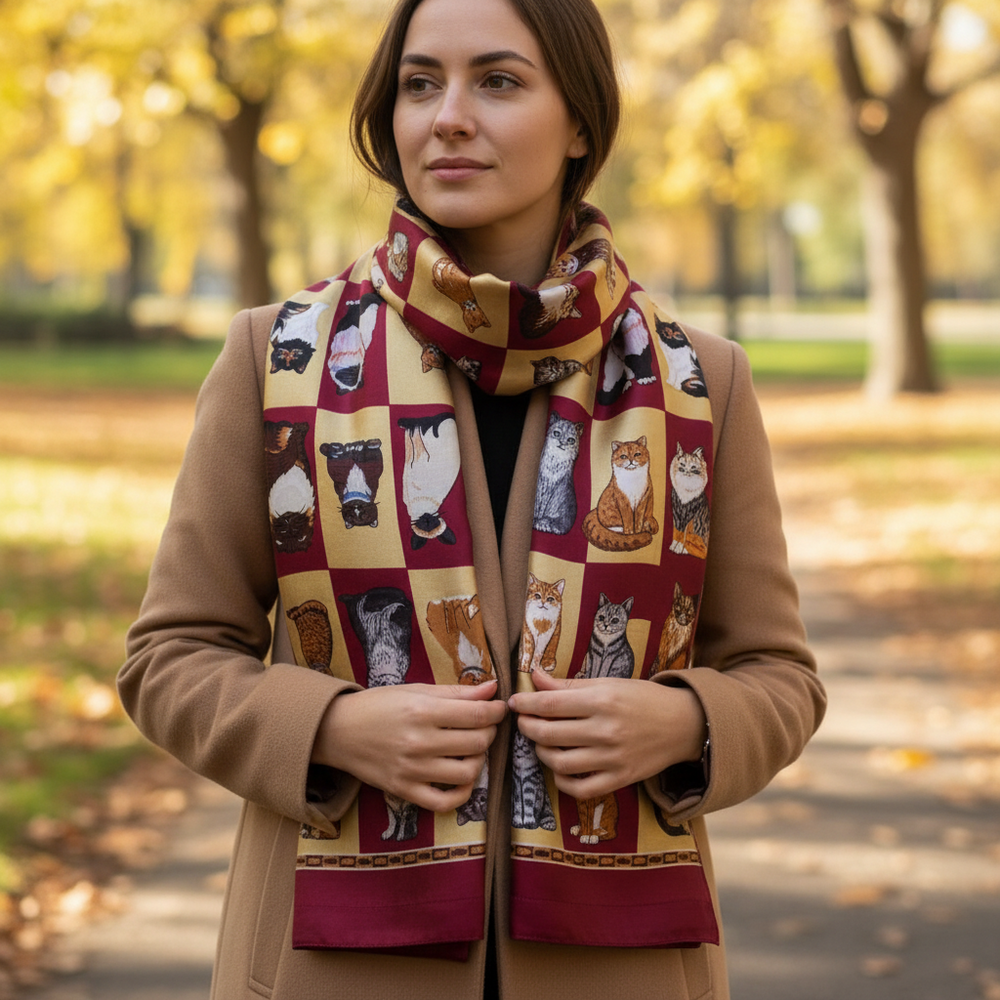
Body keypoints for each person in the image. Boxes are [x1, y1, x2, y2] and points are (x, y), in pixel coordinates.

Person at [119, 0, 825, 997]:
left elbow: (779, 675)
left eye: (497, 81)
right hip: (329, 966)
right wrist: (327, 728)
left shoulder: (701, 381)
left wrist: (684, 723)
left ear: (579, 121)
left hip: (620, 966)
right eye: (420, 84)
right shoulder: (276, 360)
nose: (448, 116)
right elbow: (168, 658)